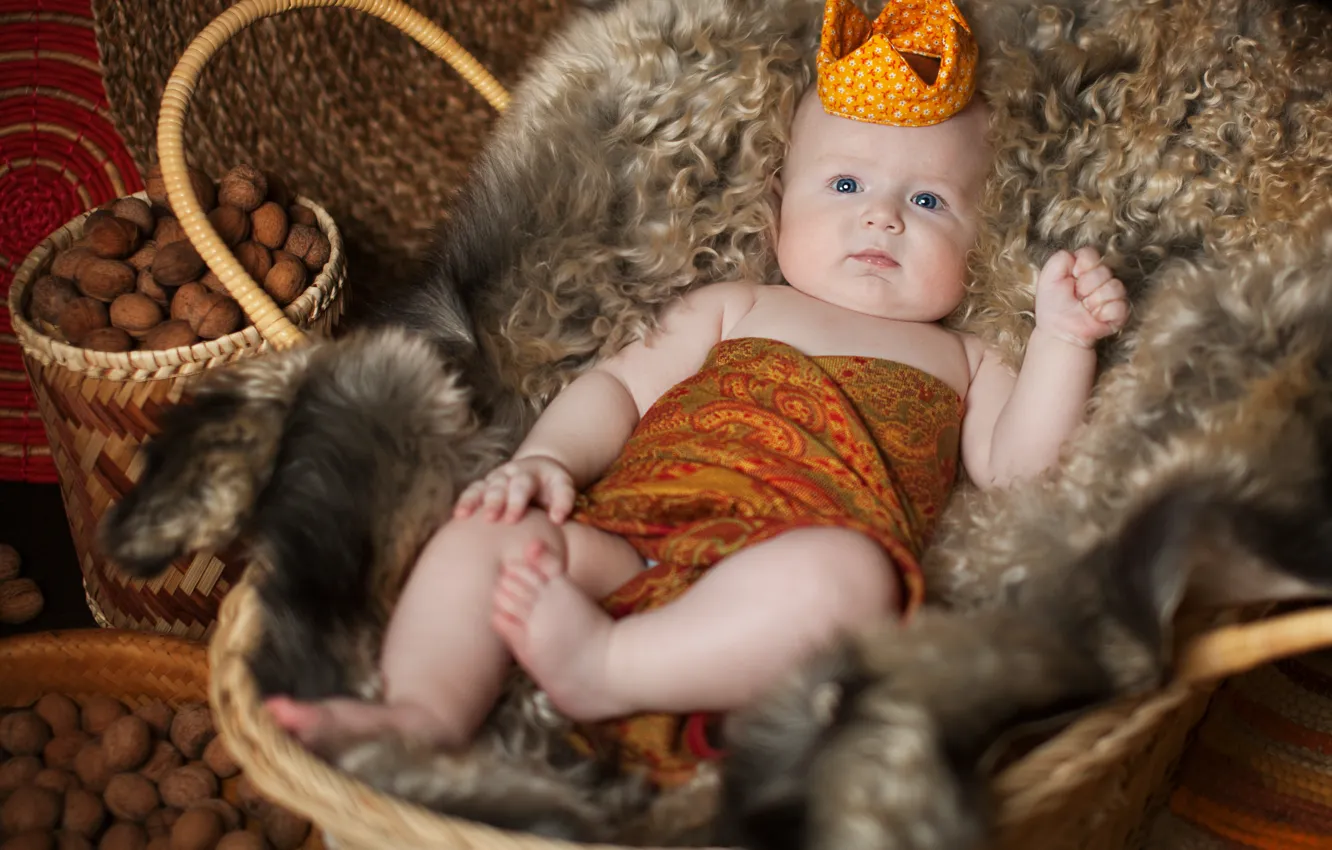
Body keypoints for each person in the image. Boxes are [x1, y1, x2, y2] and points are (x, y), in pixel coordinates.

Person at [266, 0, 1129, 786]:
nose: (882, 217)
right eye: (844, 185)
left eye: (931, 200)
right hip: (631, 539)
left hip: (784, 576)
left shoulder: (967, 360)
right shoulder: (735, 306)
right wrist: (543, 462)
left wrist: (1061, 340)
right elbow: (615, 388)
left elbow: (1019, 471)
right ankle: (421, 714)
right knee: (482, 537)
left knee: (849, 581)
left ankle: (607, 667)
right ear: (778, 205)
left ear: (978, 244)